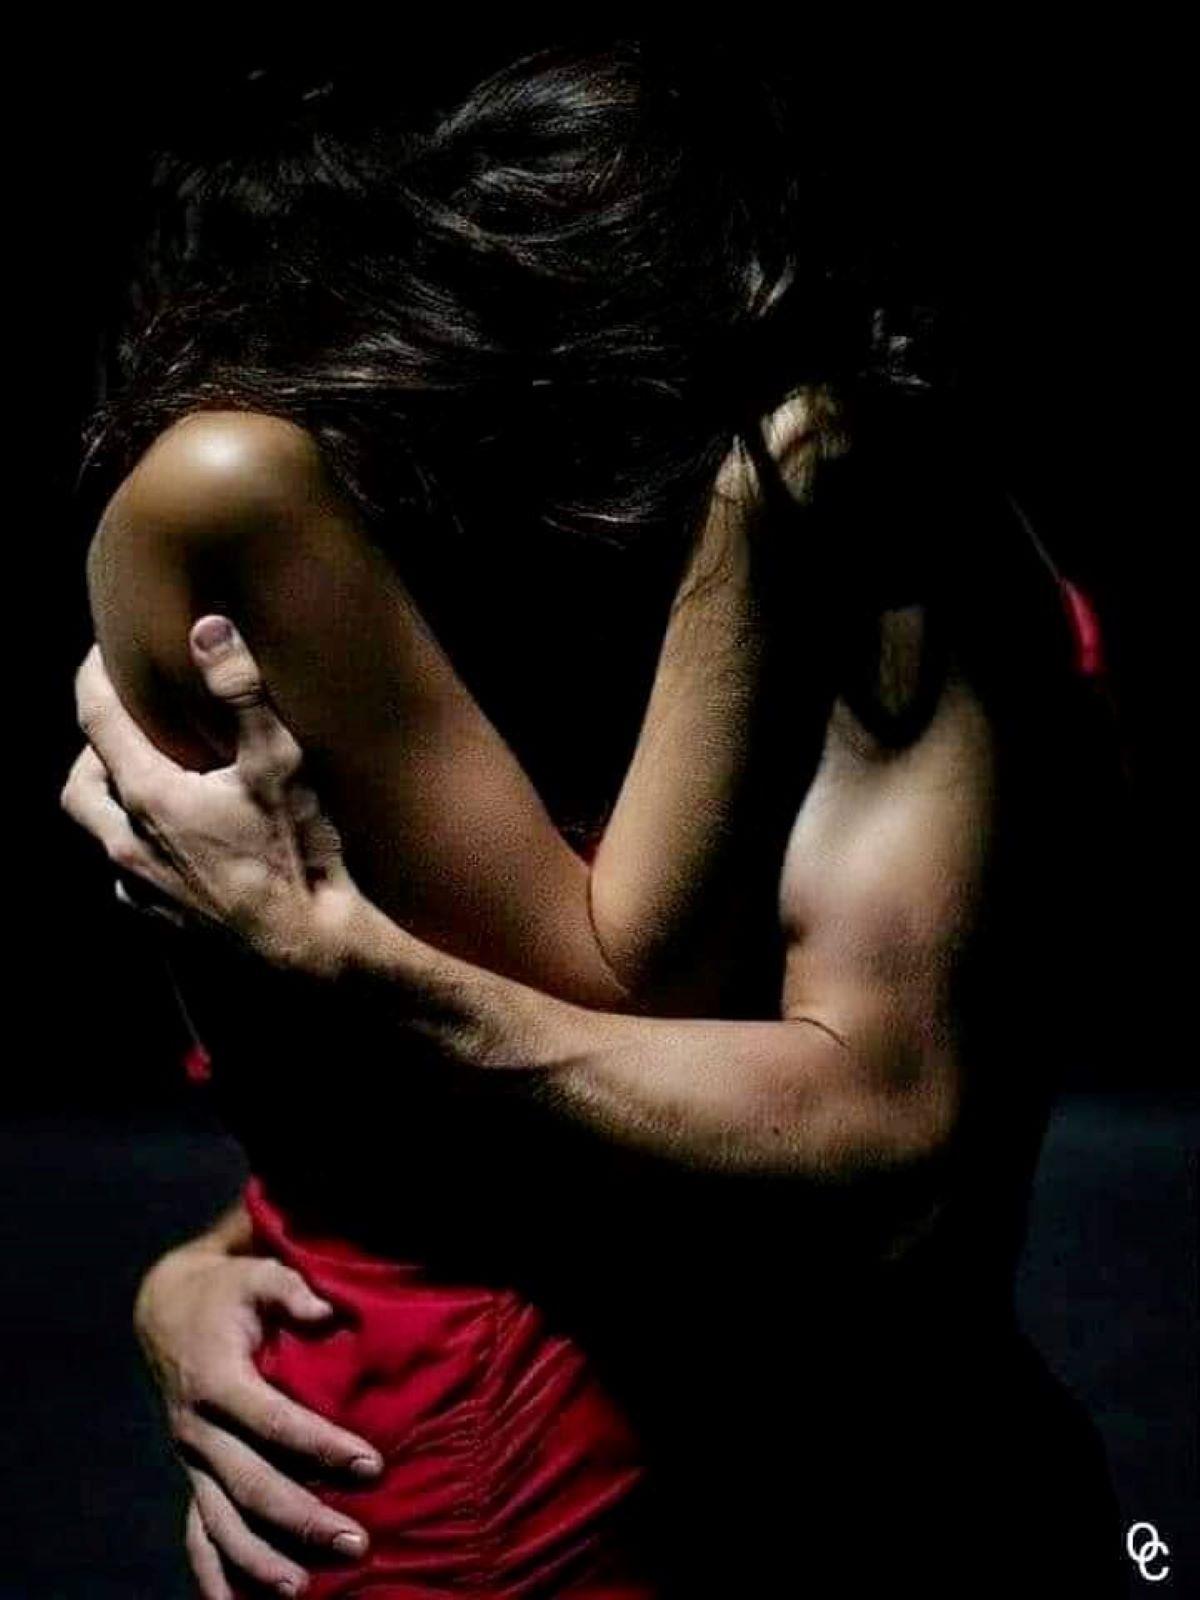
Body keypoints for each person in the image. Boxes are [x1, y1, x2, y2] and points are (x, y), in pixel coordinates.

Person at [63, 45, 1125, 1598]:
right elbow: (478, 1107)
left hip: (839, 1484)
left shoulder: (839, 503)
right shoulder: (304, 509)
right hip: (505, 1506)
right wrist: (205, 1260)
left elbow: (878, 1124)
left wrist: (348, 969)